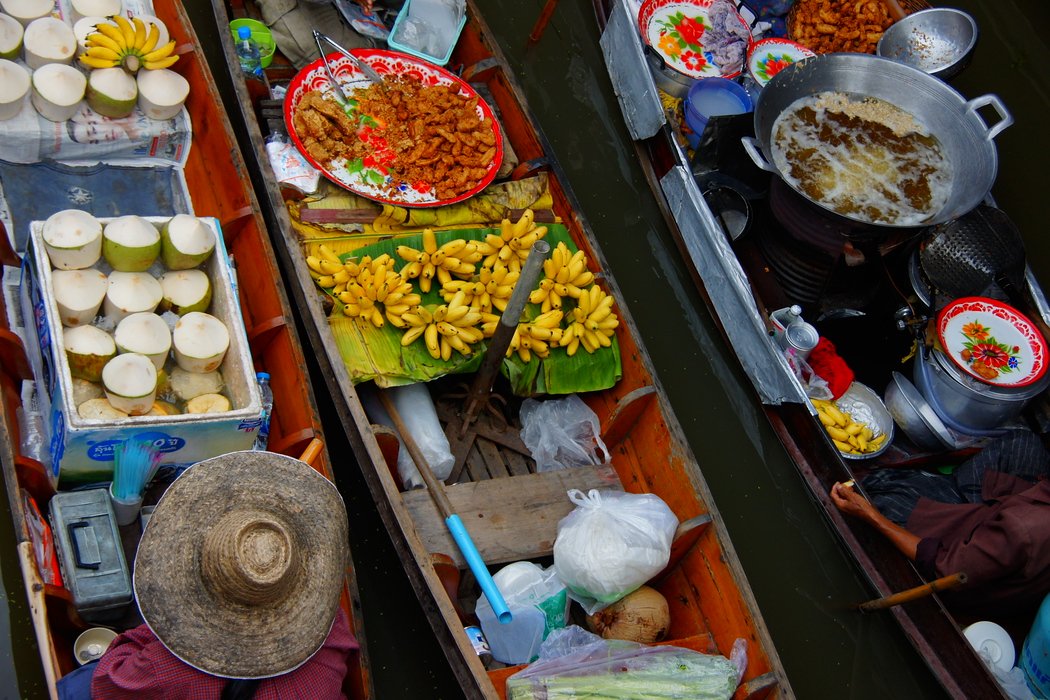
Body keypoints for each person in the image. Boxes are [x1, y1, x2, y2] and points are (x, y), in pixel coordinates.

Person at [57, 450, 358, 699]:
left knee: (76, 690)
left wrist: (160, 625)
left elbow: (107, 683)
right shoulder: (331, 635)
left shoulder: (162, 669)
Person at [830, 429, 1050, 642]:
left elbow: (942, 566)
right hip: (1002, 517)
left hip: (967, 561)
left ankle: (940, 497)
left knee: (881, 494)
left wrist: (870, 515)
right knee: (1024, 442)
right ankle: (949, 491)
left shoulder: (1022, 528)